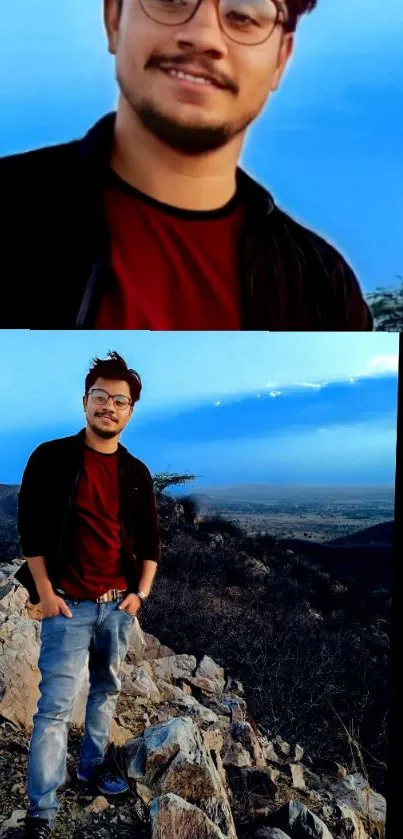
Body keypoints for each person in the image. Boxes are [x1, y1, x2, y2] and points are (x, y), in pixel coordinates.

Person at [0, 0, 373, 330]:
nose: (204, 36)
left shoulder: (325, 291)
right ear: (114, 17)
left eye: (243, 15)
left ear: (281, 59)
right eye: (171, 0)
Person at [15, 351, 161, 839]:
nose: (109, 407)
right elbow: (31, 531)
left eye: (120, 400)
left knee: (106, 690)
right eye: (101, 396)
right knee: (55, 707)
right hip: (68, 605)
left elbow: (149, 543)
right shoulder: (51, 457)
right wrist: (45, 593)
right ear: (85, 402)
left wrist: (140, 594)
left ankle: (92, 768)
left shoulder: (136, 472)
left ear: (130, 411)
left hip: (118, 606)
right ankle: (42, 811)